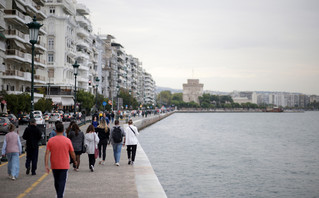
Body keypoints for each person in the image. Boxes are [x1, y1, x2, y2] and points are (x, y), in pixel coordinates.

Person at [45, 122, 77, 198]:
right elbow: (72, 153)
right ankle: (60, 195)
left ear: (55, 131)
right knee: (62, 181)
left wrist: (46, 164)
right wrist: (74, 160)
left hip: (54, 164)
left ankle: (58, 194)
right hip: (64, 165)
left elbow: (47, 154)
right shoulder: (67, 140)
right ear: (63, 130)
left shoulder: (51, 141)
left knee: (56, 181)